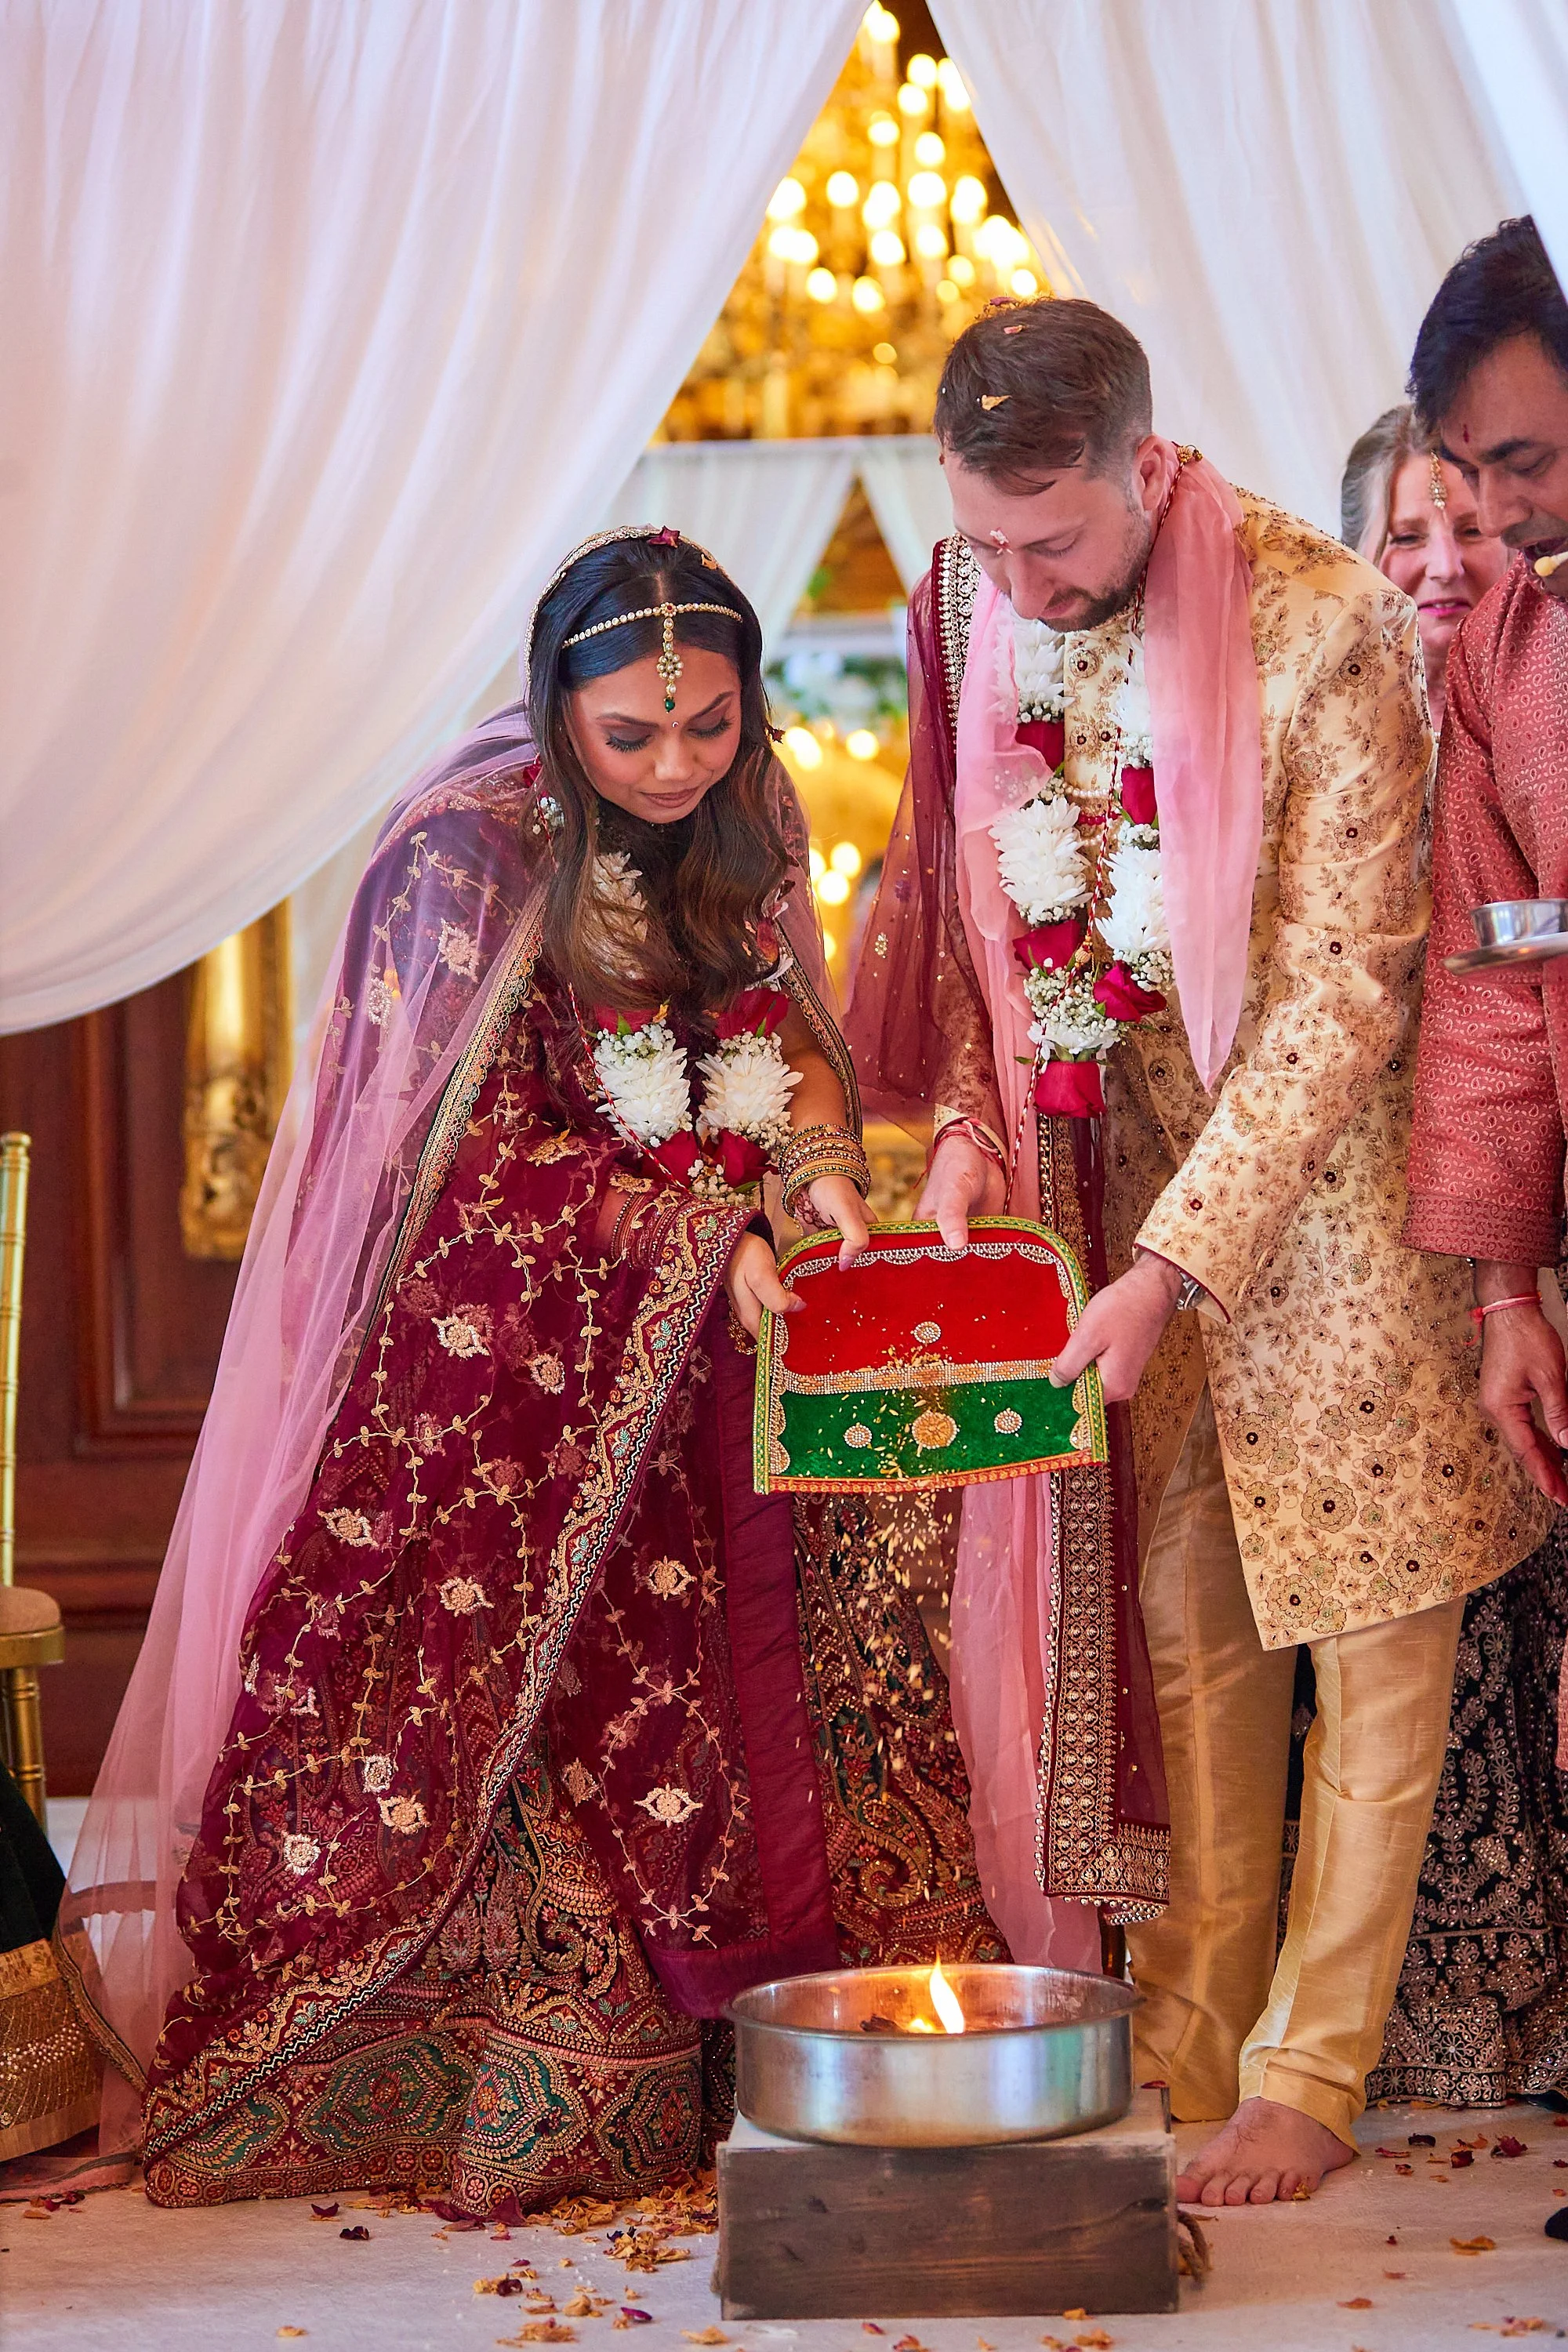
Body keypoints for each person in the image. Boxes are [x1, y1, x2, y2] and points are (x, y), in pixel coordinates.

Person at [56, 528, 1000, 2214]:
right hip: (517, 1383)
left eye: (706, 726)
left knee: (821, 1654)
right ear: (555, 706)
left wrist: (819, 1188)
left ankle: (808, 2031)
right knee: (534, 1697)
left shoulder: (746, 816)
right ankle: (535, 2065)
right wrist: (690, 1251)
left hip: (730, 1348)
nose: (671, 766)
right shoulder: (460, 853)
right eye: (630, 736)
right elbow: (443, 1166)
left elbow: (773, 1058)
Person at [846, 296, 1546, 2207]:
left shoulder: (1318, 623)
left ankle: (1309, 2068)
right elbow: (983, 906)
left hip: (1325, 1185)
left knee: (1370, 1610)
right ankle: (1180, 2025)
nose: (1015, 582)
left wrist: (1173, 1261)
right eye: (983, 542)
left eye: (1049, 541)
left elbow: (1345, 985)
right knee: (1187, 1614)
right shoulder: (974, 601)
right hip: (1113, 1174)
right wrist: (982, 1133)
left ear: (1143, 468)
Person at [1395, 218, 1568, 2099]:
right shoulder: (1500, 649)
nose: (1493, 517)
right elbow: (1492, 955)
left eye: (1517, 466)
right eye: (1462, 478)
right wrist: (1504, 1279)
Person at [1341, 404, 1510, 729]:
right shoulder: (1318, 723)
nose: (1446, 568)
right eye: (1407, 538)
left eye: (1473, 530)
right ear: (1352, 557)